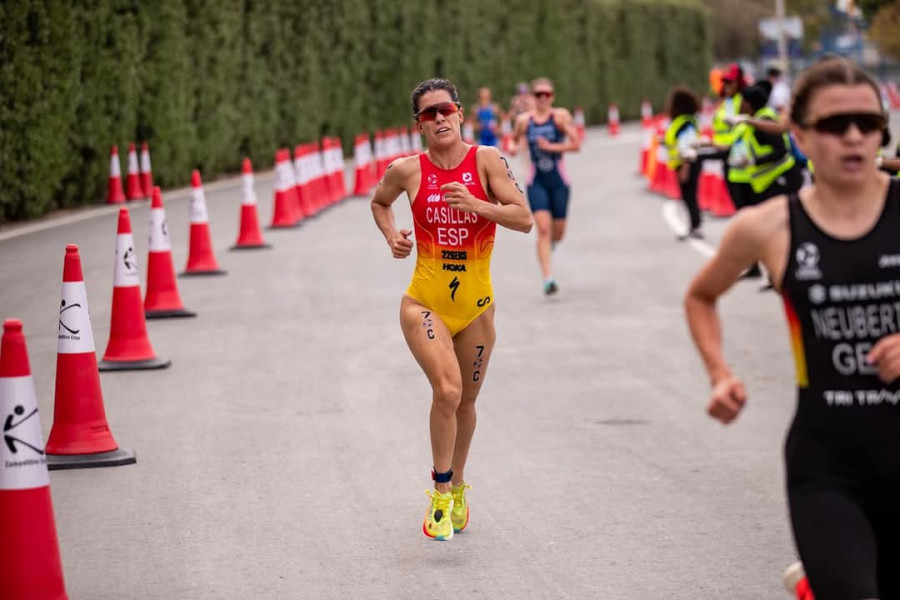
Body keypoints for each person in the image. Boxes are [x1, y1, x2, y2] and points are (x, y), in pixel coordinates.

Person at [684, 57, 900, 599]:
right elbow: (701, 295)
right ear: (800, 135)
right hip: (829, 464)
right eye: (833, 125)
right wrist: (719, 374)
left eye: (868, 124)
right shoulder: (768, 227)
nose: (852, 137)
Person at [371, 78, 533, 541]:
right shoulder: (406, 170)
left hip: (478, 308)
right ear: (418, 125)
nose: (438, 118)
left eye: (445, 110)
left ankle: (458, 483)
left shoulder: (486, 161)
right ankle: (441, 492)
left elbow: (523, 218)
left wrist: (479, 205)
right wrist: (392, 236)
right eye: (428, 114)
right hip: (425, 302)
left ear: (460, 113)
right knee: (446, 390)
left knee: (466, 402)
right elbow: (379, 202)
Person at [509, 77, 581, 295]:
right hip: (536, 181)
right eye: (538, 94)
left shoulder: (559, 118)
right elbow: (514, 138)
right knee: (543, 229)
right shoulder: (524, 121)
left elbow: (576, 144)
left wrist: (551, 146)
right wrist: (513, 147)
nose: (542, 98)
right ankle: (548, 278)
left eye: (546, 95)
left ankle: (552, 245)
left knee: (557, 233)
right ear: (533, 97)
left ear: (552, 97)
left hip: (559, 181)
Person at [663, 85, 703, 240]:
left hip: (687, 163)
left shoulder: (685, 123)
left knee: (689, 196)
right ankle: (693, 225)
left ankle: (695, 226)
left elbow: (687, 146)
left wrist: (685, 168)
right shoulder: (683, 121)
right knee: (687, 196)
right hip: (684, 163)